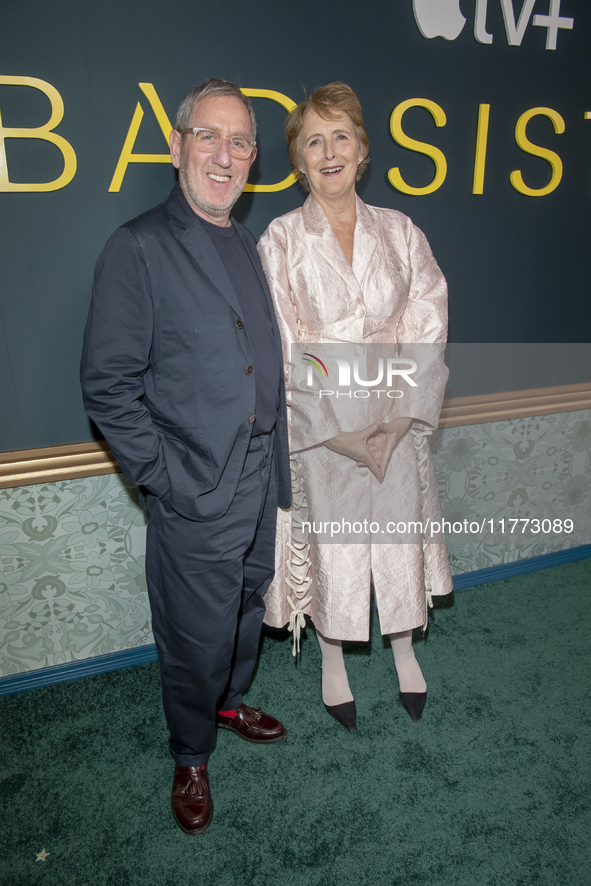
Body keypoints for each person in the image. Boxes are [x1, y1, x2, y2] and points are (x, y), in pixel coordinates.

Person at [80, 79, 291, 835]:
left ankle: (229, 703)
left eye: (239, 142)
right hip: (195, 485)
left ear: (253, 160)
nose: (224, 155)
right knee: (192, 627)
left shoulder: (243, 239)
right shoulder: (137, 247)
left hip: (259, 472)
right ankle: (191, 751)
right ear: (176, 147)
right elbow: (107, 386)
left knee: (244, 605)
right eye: (209, 136)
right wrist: (166, 480)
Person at [258, 82, 452, 734]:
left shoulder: (400, 231)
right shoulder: (280, 241)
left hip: (395, 416)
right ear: (299, 161)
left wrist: (400, 418)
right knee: (334, 548)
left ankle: (403, 652)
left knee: (396, 539)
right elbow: (280, 339)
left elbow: (427, 318)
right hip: (323, 426)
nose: (328, 150)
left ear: (362, 151)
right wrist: (334, 433)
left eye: (340, 135)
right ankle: (332, 661)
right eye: (313, 140)